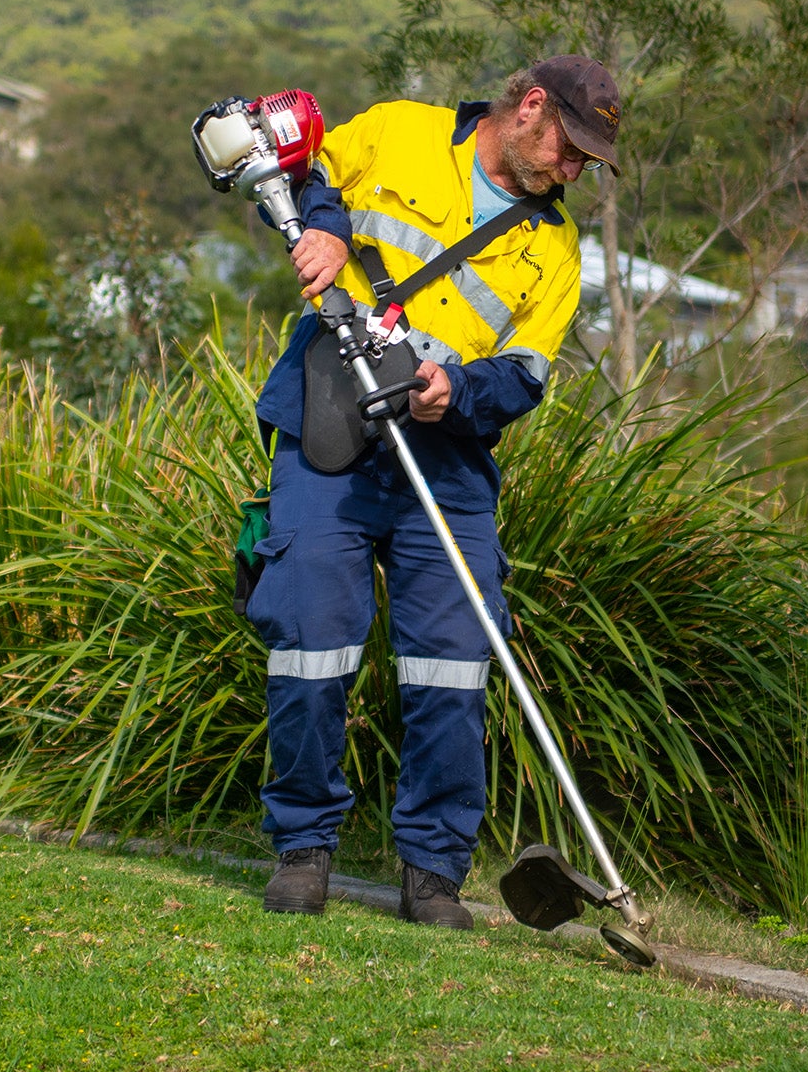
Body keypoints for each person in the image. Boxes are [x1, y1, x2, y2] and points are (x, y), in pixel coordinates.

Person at [245, 54, 622, 927]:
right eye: (570, 148)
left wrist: (459, 393)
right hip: (331, 417)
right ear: (531, 108)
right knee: (309, 640)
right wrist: (326, 231)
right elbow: (305, 171)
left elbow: (525, 376)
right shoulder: (401, 131)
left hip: (445, 456)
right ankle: (302, 848)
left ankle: (433, 872)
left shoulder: (555, 248)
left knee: (451, 663)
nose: (574, 171)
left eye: (587, 162)